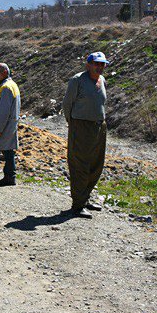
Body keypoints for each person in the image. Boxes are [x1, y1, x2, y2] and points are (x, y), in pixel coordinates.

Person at [62, 52, 110, 219]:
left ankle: (85, 198)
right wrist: (74, 124)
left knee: (96, 164)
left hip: (99, 127)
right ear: (88, 64)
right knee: (80, 165)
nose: (100, 67)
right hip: (81, 126)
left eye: (102, 64)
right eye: (96, 64)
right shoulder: (77, 80)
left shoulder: (102, 80)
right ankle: (78, 205)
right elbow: (67, 104)